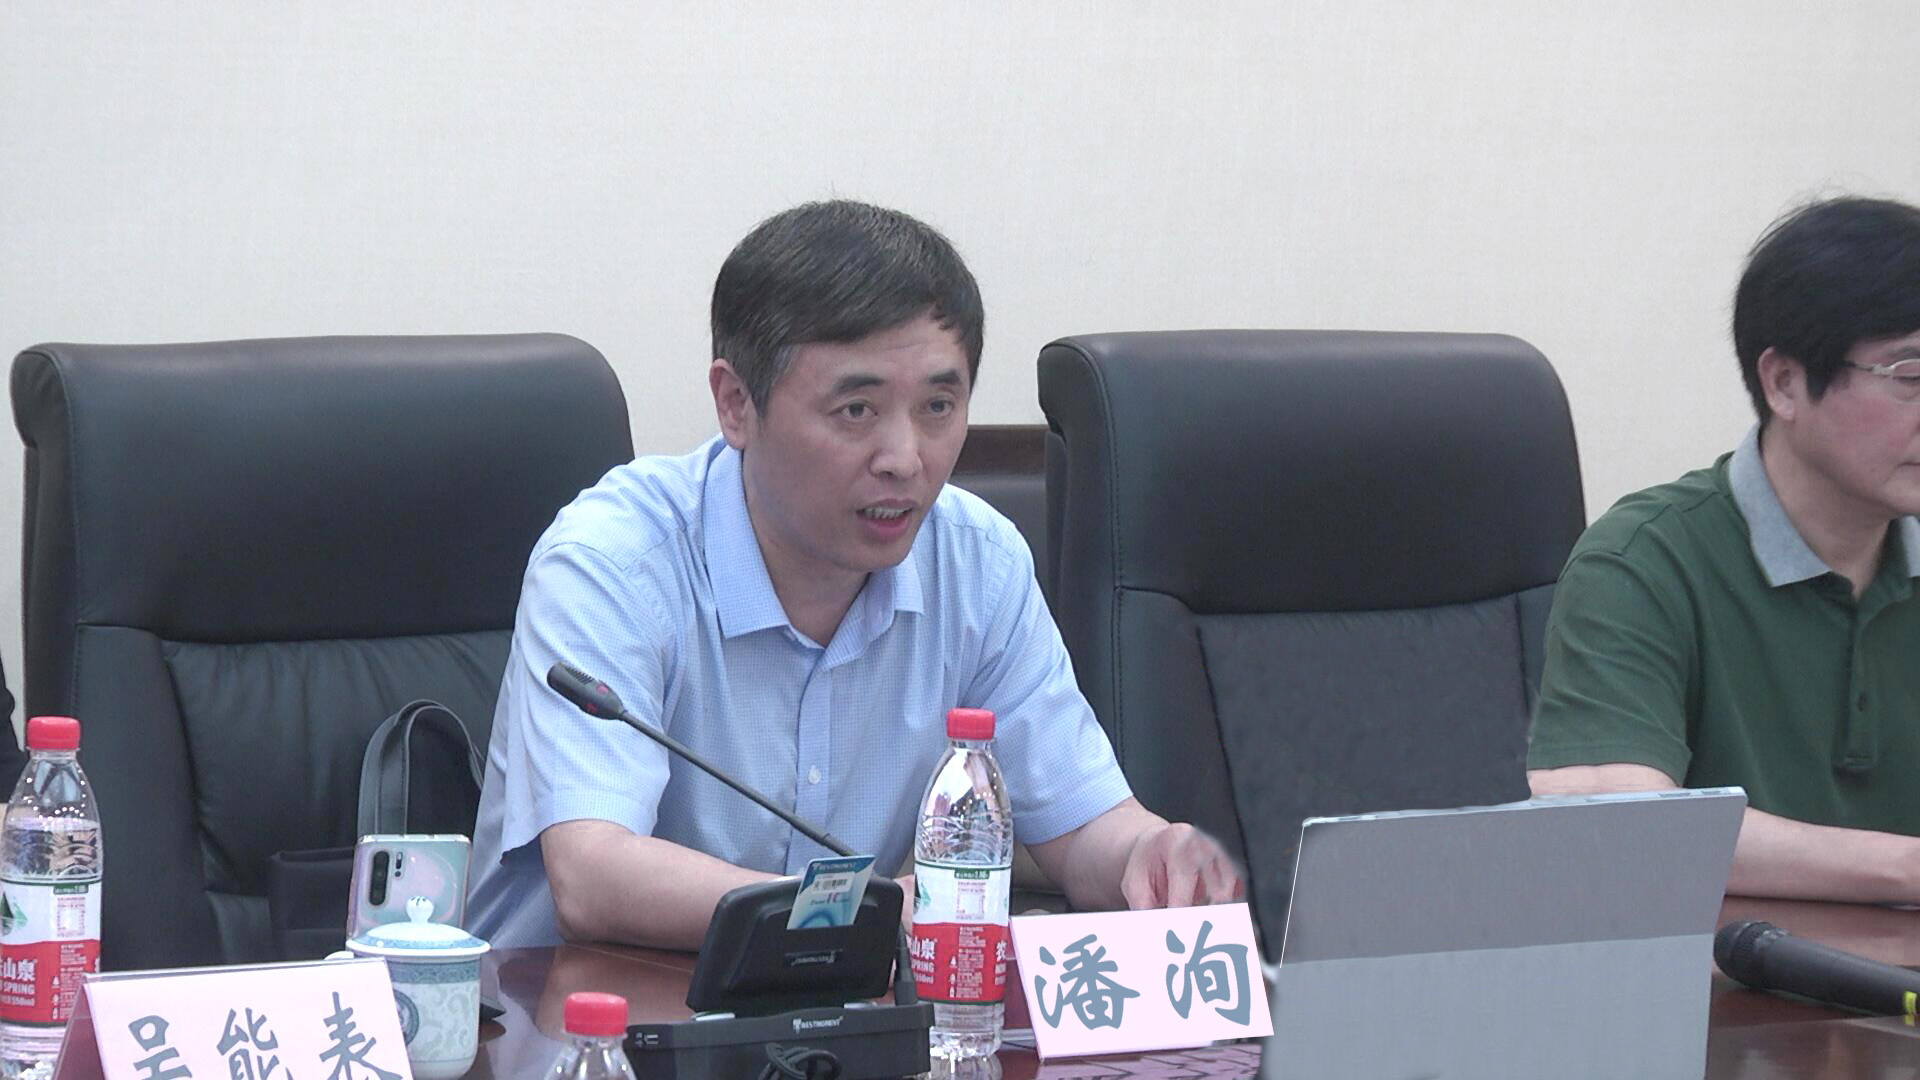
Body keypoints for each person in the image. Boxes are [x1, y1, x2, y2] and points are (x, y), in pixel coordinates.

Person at [467, 200, 1242, 949]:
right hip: (577, 1016)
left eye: (938, 406)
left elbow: (1084, 827)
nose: (905, 458)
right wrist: (855, 911)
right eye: (856, 412)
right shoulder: (613, 565)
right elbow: (593, 874)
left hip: (846, 1013)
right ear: (736, 404)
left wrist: (1148, 853)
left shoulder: (979, 563)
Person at [1527, 195, 1920, 903]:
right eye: (1912, 378)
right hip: (1726, 973)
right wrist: (1906, 868)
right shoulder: (1643, 560)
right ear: (1784, 383)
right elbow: (1611, 829)